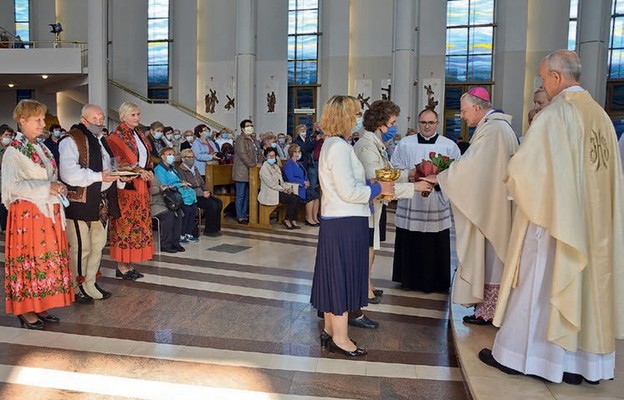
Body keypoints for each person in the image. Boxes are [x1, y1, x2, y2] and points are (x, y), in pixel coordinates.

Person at [479, 50, 624, 385]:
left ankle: (518, 357)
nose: (544, 84)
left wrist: (510, 181)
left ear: (557, 77)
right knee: (587, 291)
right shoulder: (600, 116)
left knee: (539, 286)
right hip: (595, 227)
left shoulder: (557, 114)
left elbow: (525, 170)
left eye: (544, 78)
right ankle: (579, 365)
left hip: (555, 223)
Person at [310, 95, 394, 357]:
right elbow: (348, 191)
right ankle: (341, 339)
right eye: (356, 113)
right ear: (345, 116)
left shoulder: (336, 144)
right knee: (341, 278)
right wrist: (378, 187)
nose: (360, 117)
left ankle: (329, 330)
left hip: (342, 220)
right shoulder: (338, 147)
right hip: (344, 222)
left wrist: (371, 187)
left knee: (335, 275)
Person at [426, 87, 519, 325]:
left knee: (492, 259)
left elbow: (471, 167)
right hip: (491, 201)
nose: (463, 117)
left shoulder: (493, 130)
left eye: (465, 111)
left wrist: (441, 178)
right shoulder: (495, 128)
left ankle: (490, 312)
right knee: (491, 259)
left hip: (492, 207)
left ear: (478, 108)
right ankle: (487, 310)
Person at [2, 99, 74, 329]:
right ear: (22, 121)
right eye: (38, 120)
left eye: (43, 119)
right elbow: (11, 187)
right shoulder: (14, 151)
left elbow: (47, 176)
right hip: (28, 215)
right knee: (30, 262)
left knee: (44, 263)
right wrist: (46, 188)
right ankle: (25, 310)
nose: (43, 124)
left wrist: (57, 185)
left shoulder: (40, 146)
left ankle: (40, 304)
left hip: (46, 212)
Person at [355, 101, 435, 304]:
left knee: (372, 246)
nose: (393, 127)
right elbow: (378, 181)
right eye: (392, 122)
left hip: (376, 206)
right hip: (368, 204)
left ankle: (367, 283)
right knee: (367, 247)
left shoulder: (376, 143)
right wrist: (414, 187)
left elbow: (387, 172)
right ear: (380, 123)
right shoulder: (366, 146)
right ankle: (363, 287)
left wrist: (409, 174)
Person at [388, 108, 459, 295]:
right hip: (412, 198)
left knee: (434, 240)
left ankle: (435, 281)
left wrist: (439, 180)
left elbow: (458, 171)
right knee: (411, 238)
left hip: (436, 200)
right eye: (423, 123)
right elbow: (395, 166)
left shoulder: (448, 145)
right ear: (418, 123)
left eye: (431, 123)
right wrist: (411, 175)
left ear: (437, 124)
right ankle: (409, 280)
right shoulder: (405, 143)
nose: (427, 126)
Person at [58, 104, 120, 304]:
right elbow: (69, 173)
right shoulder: (71, 139)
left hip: (100, 201)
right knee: (81, 247)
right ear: (84, 119)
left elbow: (110, 167)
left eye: (102, 118)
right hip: (80, 202)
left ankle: (90, 283)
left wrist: (120, 176)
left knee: (97, 245)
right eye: (96, 118)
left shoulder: (101, 140)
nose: (100, 122)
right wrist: (99, 176)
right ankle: (76, 286)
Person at [107, 102, 154, 280]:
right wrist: (138, 171)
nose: (137, 118)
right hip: (126, 188)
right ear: (123, 116)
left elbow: (146, 159)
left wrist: (148, 171)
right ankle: (122, 265)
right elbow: (116, 163)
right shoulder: (115, 137)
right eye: (133, 115)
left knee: (137, 226)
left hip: (141, 186)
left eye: (138, 114)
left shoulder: (140, 134)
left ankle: (129, 264)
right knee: (125, 226)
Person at [155, 147, 199, 243]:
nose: (172, 157)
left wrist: (182, 182)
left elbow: (177, 179)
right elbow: (164, 185)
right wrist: (180, 184)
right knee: (186, 209)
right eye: (169, 154)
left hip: (179, 192)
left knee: (193, 208)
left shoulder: (172, 168)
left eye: (173, 154)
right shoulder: (159, 169)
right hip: (169, 195)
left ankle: (188, 232)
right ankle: (181, 234)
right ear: (162, 156)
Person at [177, 148, 223, 237]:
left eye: (192, 157)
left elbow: (201, 182)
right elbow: (187, 186)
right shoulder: (181, 170)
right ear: (183, 159)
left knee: (218, 202)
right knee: (212, 204)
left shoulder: (195, 168)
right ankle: (209, 230)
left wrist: (206, 190)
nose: (191, 159)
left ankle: (216, 228)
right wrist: (202, 194)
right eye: (189, 157)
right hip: (192, 195)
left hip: (201, 192)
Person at [258, 147, 301, 229]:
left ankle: (293, 219)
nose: (272, 158)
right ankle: (287, 219)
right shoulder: (264, 169)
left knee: (297, 198)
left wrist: (287, 188)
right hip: (271, 191)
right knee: (293, 199)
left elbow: (281, 181)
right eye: (269, 156)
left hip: (279, 190)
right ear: (266, 157)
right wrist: (283, 189)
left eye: (273, 156)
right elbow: (271, 184)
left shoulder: (276, 167)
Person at [282, 144, 320, 226]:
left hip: (304, 185)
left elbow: (304, 174)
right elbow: (290, 178)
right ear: (293, 152)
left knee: (316, 196)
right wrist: (303, 182)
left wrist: (307, 181)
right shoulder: (289, 164)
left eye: (299, 151)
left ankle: (314, 217)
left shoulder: (299, 163)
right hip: (296, 186)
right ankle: (308, 218)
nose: (299, 153)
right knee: (311, 196)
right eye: (297, 152)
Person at [232, 119, 262, 224]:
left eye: (251, 125)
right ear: (242, 128)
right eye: (247, 126)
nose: (250, 127)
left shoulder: (254, 139)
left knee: (248, 194)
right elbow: (243, 154)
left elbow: (259, 153)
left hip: (253, 171)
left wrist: (260, 163)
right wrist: (253, 165)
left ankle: (245, 214)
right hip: (242, 171)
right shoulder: (240, 139)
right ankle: (240, 216)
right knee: (241, 194)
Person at [150, 175, 185, 253]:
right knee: (168, 215)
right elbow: (148, 190)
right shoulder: (143, 178)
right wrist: (160, 189)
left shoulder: (155, 176)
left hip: (164, 202)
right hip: (154, 204)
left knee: (178, 212)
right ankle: (165, 244)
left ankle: (175, 242)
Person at [0, 124, 15, 232]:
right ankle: (4, 228)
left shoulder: (12, 149)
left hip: (11, 181)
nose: (8, 137)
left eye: (10, 135)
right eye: (6, 135)